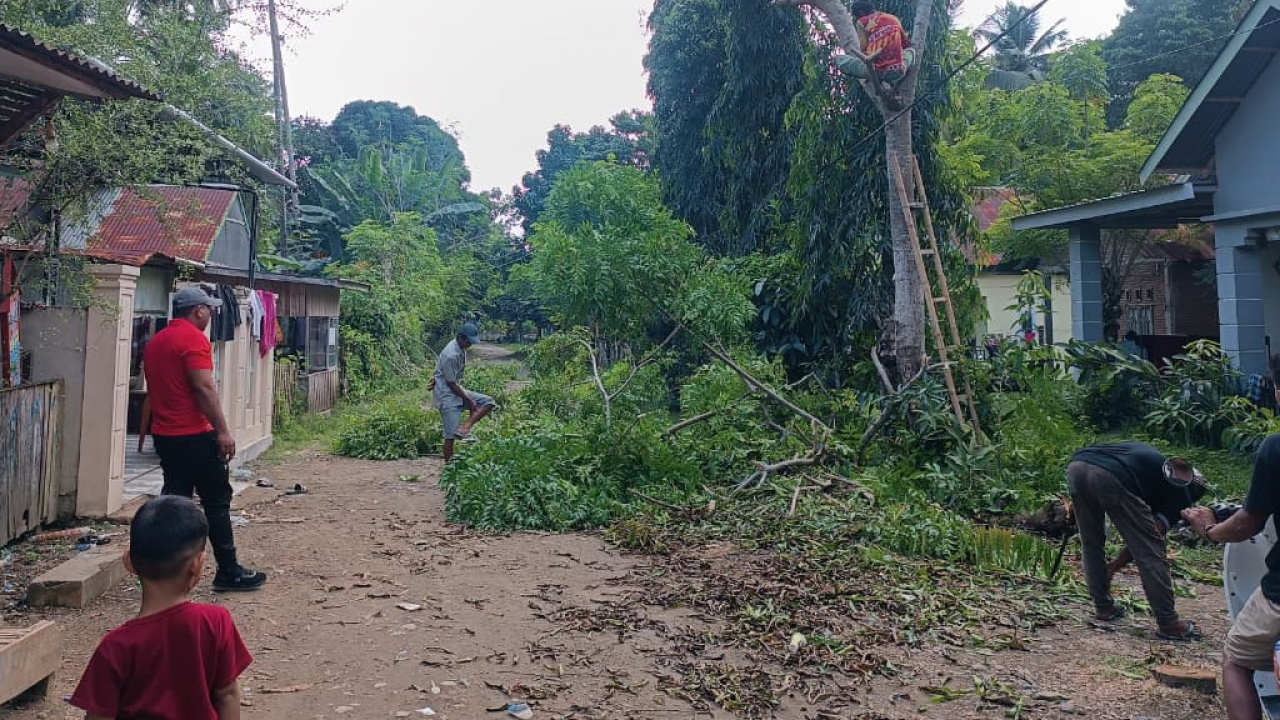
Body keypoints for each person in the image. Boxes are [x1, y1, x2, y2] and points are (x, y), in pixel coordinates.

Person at [69, 496, 252, 720]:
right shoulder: (215, 621)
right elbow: (227, 695)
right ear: (197, 565)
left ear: (129, 562)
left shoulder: (115, 647)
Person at [143, 286, 265, 592]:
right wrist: (222, 431)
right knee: (216, 502)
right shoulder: (193, 339)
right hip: (194, 435)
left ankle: (169, 572)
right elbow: (204, 388)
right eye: (208, 309)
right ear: (197, 310)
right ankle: (228, 571)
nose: (211, 314)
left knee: (175, 504)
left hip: (166, 436)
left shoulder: (156, 341)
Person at [1183, 354, 1280, 720]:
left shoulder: (1275, 448)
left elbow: (1246, 525)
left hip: (1279, 598)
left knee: (1236, 661)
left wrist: (1209, 531)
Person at [1067, 441, 1204, 640]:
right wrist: (1114, 566)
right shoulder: (1180, 495)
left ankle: (1103, 607)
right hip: (1110, 475)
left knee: (1091, 542)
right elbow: (1145, 545)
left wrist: (1113, 566)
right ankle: (1168, 623)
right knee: (1152, 552)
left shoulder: (1149, 466)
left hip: (1078, 465)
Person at [430, 322, 496, 462]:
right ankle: (449, 469)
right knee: (450, 437)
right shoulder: (451, 354)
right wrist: (469, 400)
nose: (470, 344)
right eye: (468, 341)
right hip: (447, 396)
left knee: (488, 402)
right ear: (460, 337)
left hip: (455, 390)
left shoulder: (459, 348)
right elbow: (451, 383)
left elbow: (444, 370)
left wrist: (436, 376)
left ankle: (466, 426)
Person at [835, 0, 916, 86]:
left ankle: (877, 75)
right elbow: (906, 44)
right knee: (911, 51)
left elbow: (863, 47)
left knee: (841, 60)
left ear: (861, 12)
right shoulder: (892, 18)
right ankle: (903, 67)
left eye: (856, 16)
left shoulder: (862, 22)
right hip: (898, 70)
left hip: (877, 71)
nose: (857, 19)